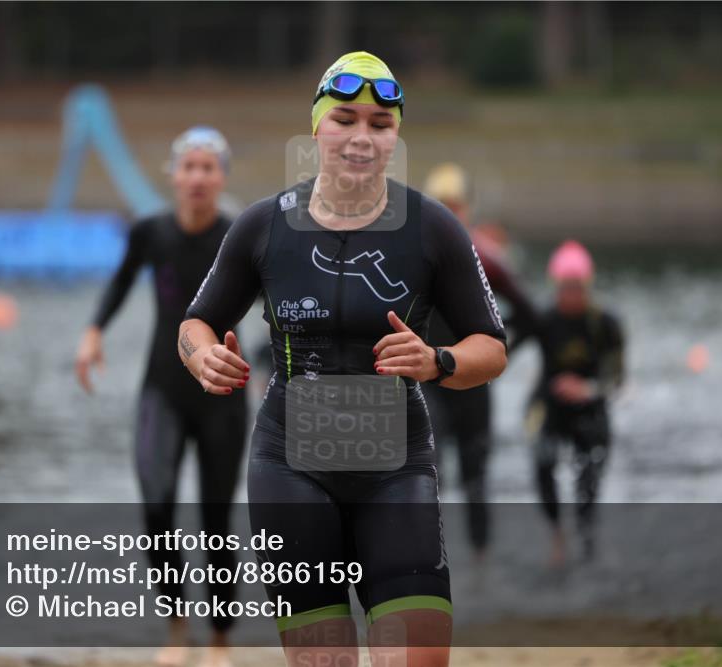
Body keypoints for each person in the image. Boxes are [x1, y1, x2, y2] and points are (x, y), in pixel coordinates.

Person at [178, 52, 507, 667]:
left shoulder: (434, 230)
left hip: (396, 466)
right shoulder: (262, 227)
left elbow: (491, 346)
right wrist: (202, 358)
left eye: (380, 124)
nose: (362, 136)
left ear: (396, 136)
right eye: (346, 119)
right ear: (316, 130)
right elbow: (197, 322)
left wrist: (438, 359)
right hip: (290, 466)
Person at [75, 127, 246, 667]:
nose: (197, 177)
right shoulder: (149, 231)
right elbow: (121, 282)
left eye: (208, 167)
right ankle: (177, 629)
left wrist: (274, 363)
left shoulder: (238, 235)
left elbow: (279, 299)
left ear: (221, 177)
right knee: (155, 506)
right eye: (188, 167)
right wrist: (94, 330)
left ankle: (219, 640)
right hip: (162, 389)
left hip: (222, 393)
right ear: (173, 176)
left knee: (216, 520)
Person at [421, 163, 538, 558]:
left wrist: (496, 358)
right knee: (428, 472)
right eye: (441, 207)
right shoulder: (412, 257)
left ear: (466, 209)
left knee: (476, 476)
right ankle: (429, 562)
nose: (449, 215)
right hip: (426, 382)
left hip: (471, 382)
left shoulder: (485, 257)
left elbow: (529, 314)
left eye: (454, 206)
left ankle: (480, 563)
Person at [515, 240, 624, 566]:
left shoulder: (606, 323)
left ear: (587, 287)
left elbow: (617, 378)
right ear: (555, 286)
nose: (571, 295)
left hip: (590, 406)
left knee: (590, 473)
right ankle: (557, 533)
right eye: (564, 288)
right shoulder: (544, 319)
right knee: (542, 463)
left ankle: (587, 538)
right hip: (548, 406)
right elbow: (500, 346)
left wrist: (587, 388)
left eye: (577, 288)